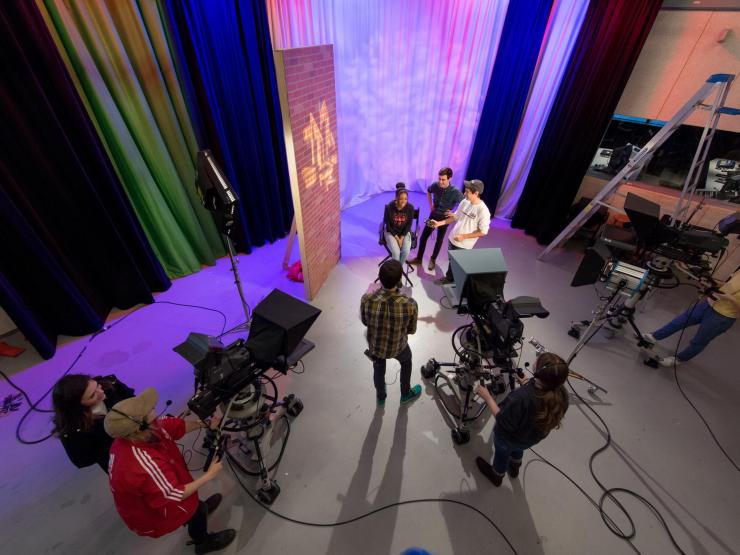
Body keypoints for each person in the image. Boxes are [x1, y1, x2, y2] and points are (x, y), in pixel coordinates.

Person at [104, 387, 236, 554]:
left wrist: (204, 424)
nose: (153, 407)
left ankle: (197, 509)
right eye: (149, 409)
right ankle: (202, 542)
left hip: (160, 490)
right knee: (196, 512)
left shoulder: (140, 432)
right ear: (139, 427)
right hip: (154, 510)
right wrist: (209, 475)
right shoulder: (142, 464)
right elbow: (174, 494)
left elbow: (173, 427)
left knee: (195, 506)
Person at [475, 353, 569, 487]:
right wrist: (526, 383)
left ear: (538, 372)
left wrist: (488, 397)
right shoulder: (562, 395)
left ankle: (496, 475)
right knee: (518, 448)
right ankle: (515, 465)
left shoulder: (520, 398)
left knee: (502, 453)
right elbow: (537, 399)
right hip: (529, 439)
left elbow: (502, 419)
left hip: (507, 438)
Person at [644, 267, 740, 366]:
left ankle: (679, 359)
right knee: (679, 322)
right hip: (709, 303)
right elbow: (727, 285)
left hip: (723, 316)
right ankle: (654, 337)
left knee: (699, 340)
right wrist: (712, 285)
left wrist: (730, 298)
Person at [360, 260, 422, 407]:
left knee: (378, 369)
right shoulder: (410, 304)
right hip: (398, 346)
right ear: (399, 280)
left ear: (379, 278)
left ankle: (381, 397)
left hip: (376, 347)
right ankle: (405, 393)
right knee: (406, 362)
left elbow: (365, 322)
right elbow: (412, 330)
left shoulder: (366, 300)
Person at [52, 373, 135, 472]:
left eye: (97, 386)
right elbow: (83, 460)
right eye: (92, 396)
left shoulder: (110, 385)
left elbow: (134, 401)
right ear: (77, 406)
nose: (100, 392)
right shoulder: (72, 429)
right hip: (122, 463)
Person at [430, 179, 491, 285]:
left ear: (476, 193)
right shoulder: (464, 202)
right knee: (452, 261)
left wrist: (464, 236)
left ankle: (452, 280)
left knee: (457, 264)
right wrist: (439, 224)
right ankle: (450, 278)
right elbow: (455, 217)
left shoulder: (483, 211)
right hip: (452, 238)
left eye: (467, 191)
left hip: (464, 244)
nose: (464, 193)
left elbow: (483, 232)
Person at [408, 167, 464, 271]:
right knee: (423, 237)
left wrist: (454, 213)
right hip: (433, 215)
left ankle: (433, 259)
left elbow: (464, 204)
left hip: (444, 220)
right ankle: (419, 258)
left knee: (439, 240)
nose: (440, 182)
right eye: (439, 179)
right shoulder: (435, 185)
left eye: (443, 179)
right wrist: (431, 205)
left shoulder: (455, 191)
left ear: (449, 178)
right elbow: (428, 191)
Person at [383, 184, 415, 265]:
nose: (403, 201)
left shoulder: (410, 207)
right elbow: (388, 225)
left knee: (405, 252)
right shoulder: (389, 207)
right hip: (391, 232)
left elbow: (409, 224)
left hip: (404, 232)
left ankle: (397, 270)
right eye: (401, 199)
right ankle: (397, 272)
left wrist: (402, 237)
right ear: (396, 198)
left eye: (405, 199)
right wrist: (398, 238)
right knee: (396, 253)